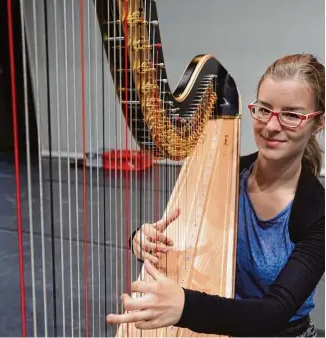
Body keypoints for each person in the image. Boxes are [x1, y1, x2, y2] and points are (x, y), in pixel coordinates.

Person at [106, 53, 325, 337]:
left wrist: (184, 306)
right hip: (216, 322)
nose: (271, 126)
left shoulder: (317, 213)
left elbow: (273, 312)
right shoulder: (226, 174)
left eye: (291, 115)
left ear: (318, 123)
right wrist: (143, 239)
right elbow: (181, 243)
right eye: (264, 109)